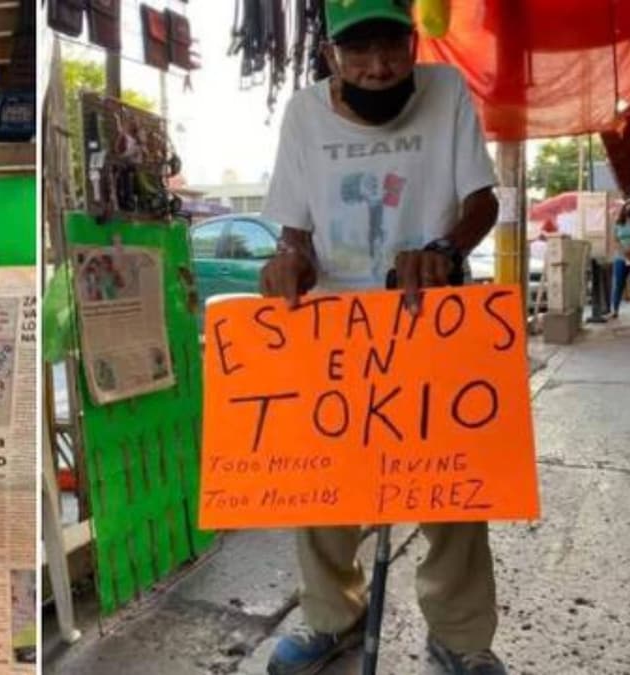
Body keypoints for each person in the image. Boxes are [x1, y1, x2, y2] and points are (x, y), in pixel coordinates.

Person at [259, 2, 504, 674]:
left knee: (453, 495)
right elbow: (295, 230)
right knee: (321, 488)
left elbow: (483, 200)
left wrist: (444, 250)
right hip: (336, 338)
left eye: (391, 45)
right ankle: (333, 617)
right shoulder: (304, 115)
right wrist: (290, 262)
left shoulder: (448, 93)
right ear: (331, 53)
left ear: (412, 39)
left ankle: (459, 637)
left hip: (435, 325)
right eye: (357, 49)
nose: (377, 65)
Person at [610, 199, 630, 318]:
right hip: (620, 257)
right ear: (624, 209)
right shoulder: (618, 223)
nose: (629, 209)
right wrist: (624, 252)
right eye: (627, 207)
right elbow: (615, 240)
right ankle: (614, 310)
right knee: (619, 283)